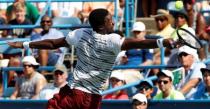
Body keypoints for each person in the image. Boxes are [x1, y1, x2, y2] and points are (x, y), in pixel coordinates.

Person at [8, 8, 174, 109]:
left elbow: (52, 43)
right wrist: (165, 42)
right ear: (102, 25)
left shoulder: (80, 34)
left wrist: (25, 44)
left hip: (73, 92)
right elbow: (144, 43)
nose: (113, 22)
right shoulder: (114, 41)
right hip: (92, 97)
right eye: (110, 20)